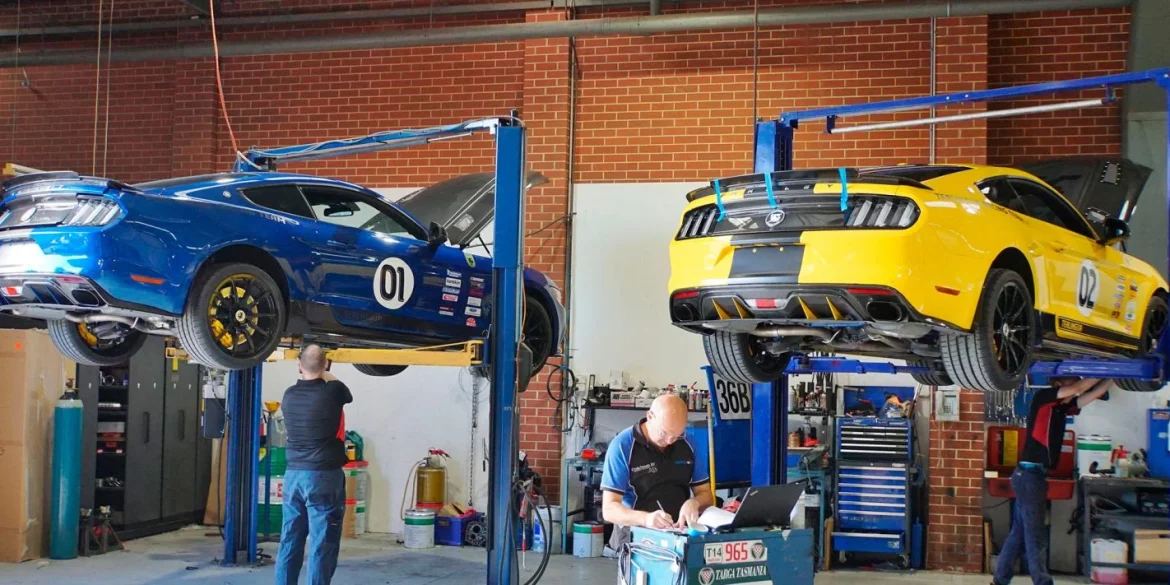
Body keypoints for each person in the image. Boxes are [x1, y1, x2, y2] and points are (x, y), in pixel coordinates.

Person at [993, 377, 1112, 585]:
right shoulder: (1043, 398)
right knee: (1035, 536)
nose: (1074, 394)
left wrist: (1113, 378)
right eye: (1070, 387)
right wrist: (1105, 370)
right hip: (1029, 477)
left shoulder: (1060, 409)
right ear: (1059, 385)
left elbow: (1091, 394)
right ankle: (1042, 582)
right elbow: (1078, 388)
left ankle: (1000, 580)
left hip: (1028, 476)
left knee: (1020, 533)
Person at [600, 394, 713, 580]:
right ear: (650, 416)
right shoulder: (622, 446)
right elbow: (609, 509)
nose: (670, 440)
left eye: (676, 435)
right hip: (635, 538)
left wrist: (694, 502)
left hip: (678, 537)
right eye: (664, 433)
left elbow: (706, 495)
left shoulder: (689, 443)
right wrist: (646, 519)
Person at [275, 345, 354, 585]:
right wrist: (324, 369)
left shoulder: (288, 395)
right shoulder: (333, 392)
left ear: (299, 366)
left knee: (290, 540)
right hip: (323, 478)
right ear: (326, 365)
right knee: (322, 543)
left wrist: (310, 366)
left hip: (294, 476)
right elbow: (342, 390)